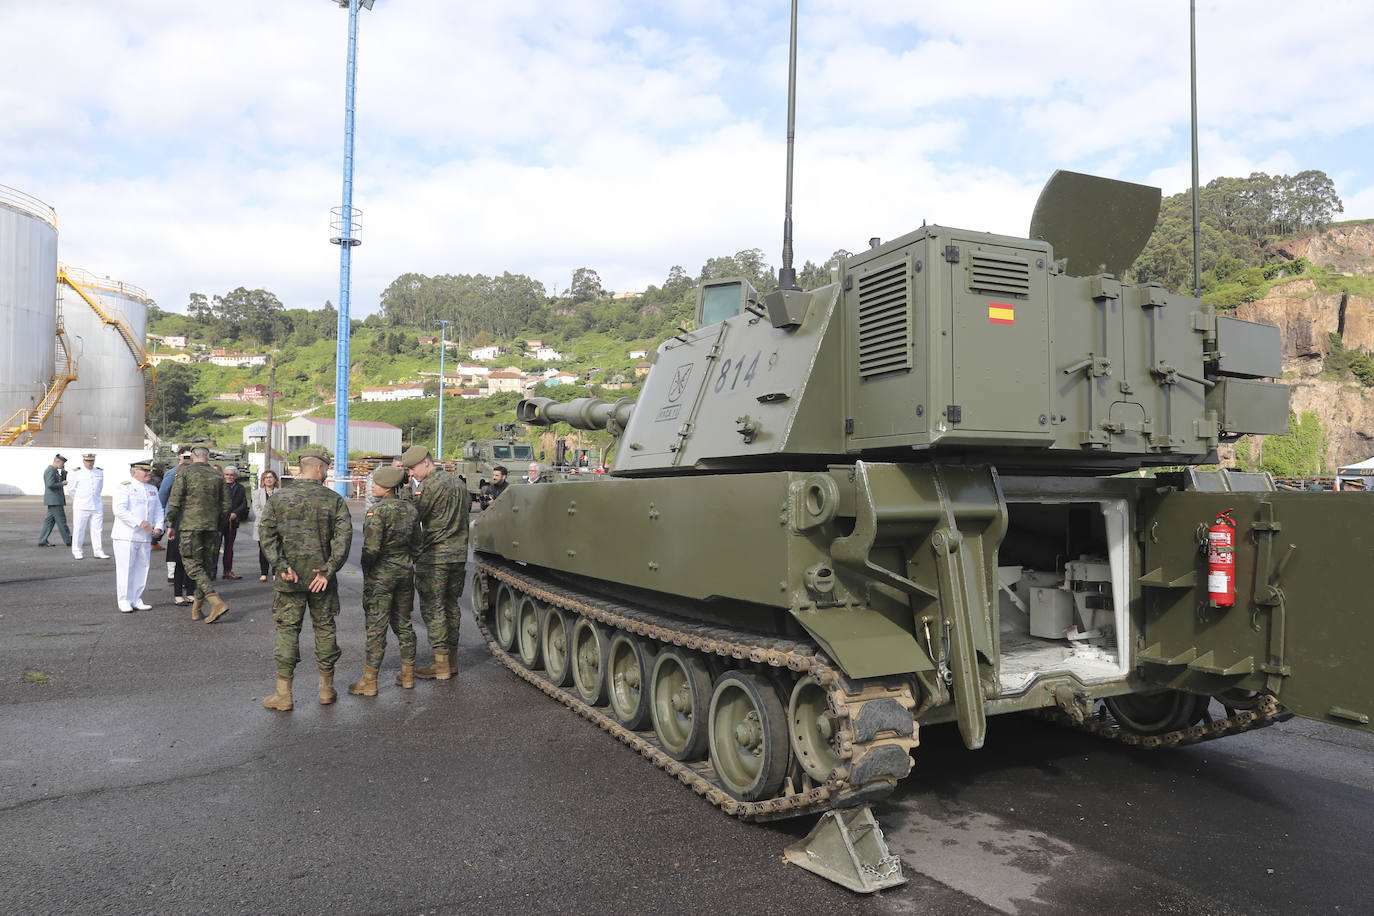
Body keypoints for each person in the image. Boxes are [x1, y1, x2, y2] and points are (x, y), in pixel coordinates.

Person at [258, 448, 354, 711]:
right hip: (321, 580)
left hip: (289, 580)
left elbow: (266, 535)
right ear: (321, 469)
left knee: (287, 632)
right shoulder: (334, 500)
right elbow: (343, 541)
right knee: (325, 630)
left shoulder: (278, 499)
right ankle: (326, 689)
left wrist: (281, 565)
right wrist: (327, 570)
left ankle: (284, 694)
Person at [348, 465, 421, 696]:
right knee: (404, 623)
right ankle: (408, 675)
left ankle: (369, 681)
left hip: (380, 577)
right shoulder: (410, 510)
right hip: (405, 573)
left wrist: (368, 569)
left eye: (376, 485)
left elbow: (370, 550)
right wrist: (405, 561)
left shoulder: (377, 513)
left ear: (388, 488)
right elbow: (418, 545)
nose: (373, 488)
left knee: (376, 628)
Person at [401, 444, 468, 680]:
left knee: (434, 608)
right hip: (458, 556)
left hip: (435, 557)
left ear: (426, 463)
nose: (411, 474)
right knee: (451, 606)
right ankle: (452, 661)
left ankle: (439, 666)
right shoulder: (459, 484)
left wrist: (406, 492)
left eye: (412, 468)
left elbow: (412, 514)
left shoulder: (430, 486)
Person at [165, 446, 230, 623]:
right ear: (208, 456)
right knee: (205, 567)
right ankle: (197, 610)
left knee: (192, 564)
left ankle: (215, 601)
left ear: (192, 457)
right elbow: (226, 506)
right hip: (210, 527)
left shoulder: (185, 473)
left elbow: (175, 500)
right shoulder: (218, 475)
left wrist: (170, 523)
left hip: (189, 526)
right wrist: (219, 526)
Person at [112, 459, 164, 613]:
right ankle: (124, 600)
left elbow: (158, 510)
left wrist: (159, 527)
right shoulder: (124, 487)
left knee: (142, 568)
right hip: (126, 535)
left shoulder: (152, 489)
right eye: (145, 470)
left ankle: (136, 598)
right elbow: (119, 510)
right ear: (134, 472)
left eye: (150, 470)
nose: (149, 473)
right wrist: (140, 523)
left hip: (145, 537)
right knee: (126, 569)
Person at [160, 450, 194, 604]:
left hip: (193, 525)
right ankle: (178, 594)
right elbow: (166, 502)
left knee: (192, 560)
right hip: (178, 525)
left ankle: (191, 591)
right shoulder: (174, 484)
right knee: (179, 560)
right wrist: (169, 525)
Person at [67, 452, 109, 559]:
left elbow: (100, 488)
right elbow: (71, 489)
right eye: (87, 461)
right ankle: (77, 550)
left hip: (96, 504)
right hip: (81, 505)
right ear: (83, 461)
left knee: (97, 529)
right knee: (79, 529)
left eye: (91, 461)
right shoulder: (76, 472)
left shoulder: (99, 472)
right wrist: (78, 500)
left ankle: (98, 551)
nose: (90, 463)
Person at [219, 466, 249, 579]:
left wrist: (235, 514)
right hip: (219, 521)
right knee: (215, 547)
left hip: (232, 522)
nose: (229, 477)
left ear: (236, 476)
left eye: (231, 475)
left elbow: (243, 504)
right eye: (227, 474)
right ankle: (211, 571)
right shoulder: (219, 486)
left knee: (229, 548)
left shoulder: (240, 488)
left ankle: (227, 571)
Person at [250, 469, 280, 581]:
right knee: (263, 551)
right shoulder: (257, 493)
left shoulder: (280, 493)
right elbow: (256, 509)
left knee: (276, 549)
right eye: (266, 477)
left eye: (271, 477)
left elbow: (281, 509)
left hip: (276, 526)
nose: (268, 479)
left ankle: (275, 572)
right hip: (262, 525)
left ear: (275, 479)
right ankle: (263, 573)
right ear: (263, 480)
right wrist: (268, 518)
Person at [37, 454, 72, 547]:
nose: (62, 465)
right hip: (54, 500)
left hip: (54, 500)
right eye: (62, 464)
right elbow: (50, 484)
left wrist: (63, 472)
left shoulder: (55, 471)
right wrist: (61, 483)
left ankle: (42, 540)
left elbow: (60, 481)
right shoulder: (50, 470)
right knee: (62, 521)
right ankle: (69, 540)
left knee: (49, 522)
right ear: (57, 462)